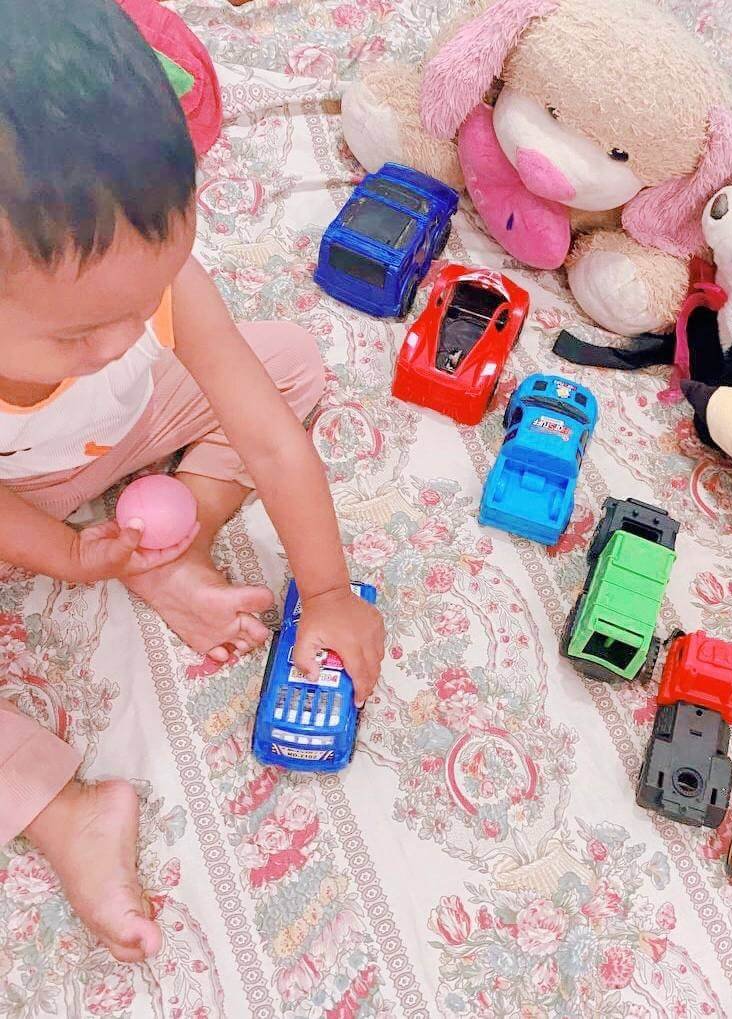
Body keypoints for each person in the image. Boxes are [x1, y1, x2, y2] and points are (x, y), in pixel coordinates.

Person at [0, 0, 384, 963]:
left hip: (125, 429)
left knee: (291, 361)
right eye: (80, 331)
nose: (126, 336)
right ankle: (63, 806)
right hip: (15, 498)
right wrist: (66, 554)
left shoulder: (134, 284)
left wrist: (330, 592)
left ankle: (180, 545)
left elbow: (268, 432)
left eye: (147, 296)